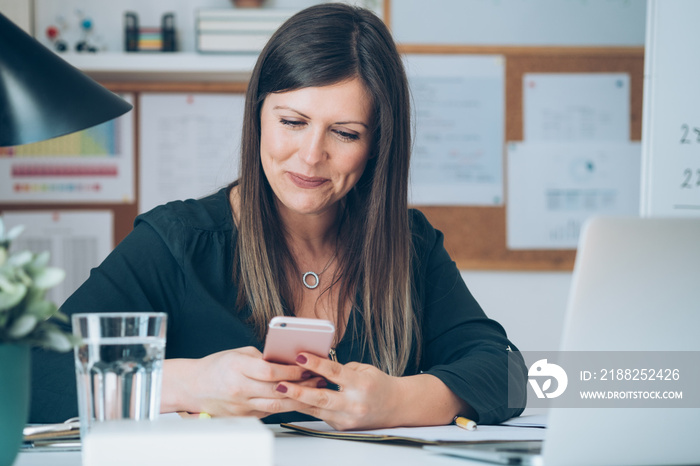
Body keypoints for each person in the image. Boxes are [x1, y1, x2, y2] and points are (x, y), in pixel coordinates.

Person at [31, 3, 527, 430]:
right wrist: (188, 384)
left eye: (346, 133)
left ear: (377, 146)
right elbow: (32, 376)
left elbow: (505, 374)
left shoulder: (411, 245)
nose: (311, 156)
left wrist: (395, 401)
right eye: (292, 122)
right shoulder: (177, 243)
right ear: (258, 116)